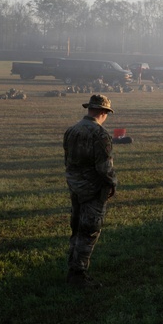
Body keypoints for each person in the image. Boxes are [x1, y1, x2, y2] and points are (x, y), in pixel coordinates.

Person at [64, 94, 118, 288]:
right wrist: (113, 183)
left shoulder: (71, 131)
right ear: (103, 112)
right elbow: (104, 167)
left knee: (77, 228)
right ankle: (78, 274)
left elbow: (67, 160)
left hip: (75, 186)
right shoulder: (100, 134)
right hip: (93, 189)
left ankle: (72, 265)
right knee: (89, 231)